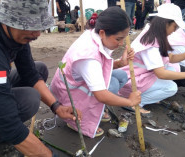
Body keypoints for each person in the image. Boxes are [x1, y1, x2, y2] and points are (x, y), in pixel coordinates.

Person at [0, 0, 81, 157]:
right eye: (30, 26)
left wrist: (56, 107)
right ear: (7, 20)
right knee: (29, 99)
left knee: (39, 68)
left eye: (38, 26)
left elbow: (30, 74)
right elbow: (9, 123)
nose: (37, 34)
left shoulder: (15, 33)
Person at [50, 6, 141, 138]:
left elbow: (102, 66)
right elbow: (101, 95)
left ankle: (97, 109)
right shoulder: (88, 56)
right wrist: (130, 102)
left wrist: (121, 63)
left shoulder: (94, 35)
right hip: (68, 94)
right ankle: (76, 121)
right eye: (118, 39)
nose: (121, 43)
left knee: (121, 75)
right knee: (112, 86)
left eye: (124, 38)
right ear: (103, 33)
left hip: (79, 83)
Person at [119, 3, 185, 114]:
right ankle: (134, 103)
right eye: (175, 27)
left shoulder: (155, 32)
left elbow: (170, 58)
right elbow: (161, 74)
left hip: (142, 74)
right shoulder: (151, 42)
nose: (175, 30)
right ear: (166, 23)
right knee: (171, 88)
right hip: (131, 78)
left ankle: (148, 94)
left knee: (173, 70)